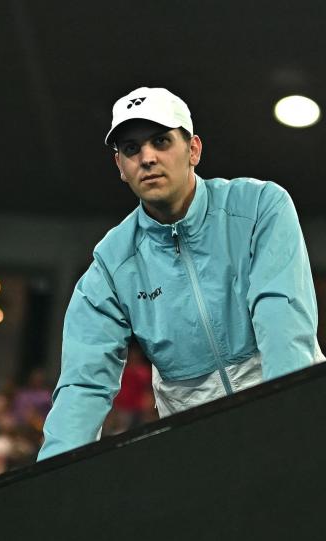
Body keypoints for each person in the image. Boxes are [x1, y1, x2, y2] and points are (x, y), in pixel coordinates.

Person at [39, 86, 323, 460]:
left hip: (288, 401)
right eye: (131, 149)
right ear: (120, 167)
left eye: (161, 140)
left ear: (194, 149)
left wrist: (289, 422)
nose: (147, 158)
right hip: (195, 436)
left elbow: (282, 319)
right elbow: (83, 384)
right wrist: (54, 479)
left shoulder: (259, 206)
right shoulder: (111, 264)